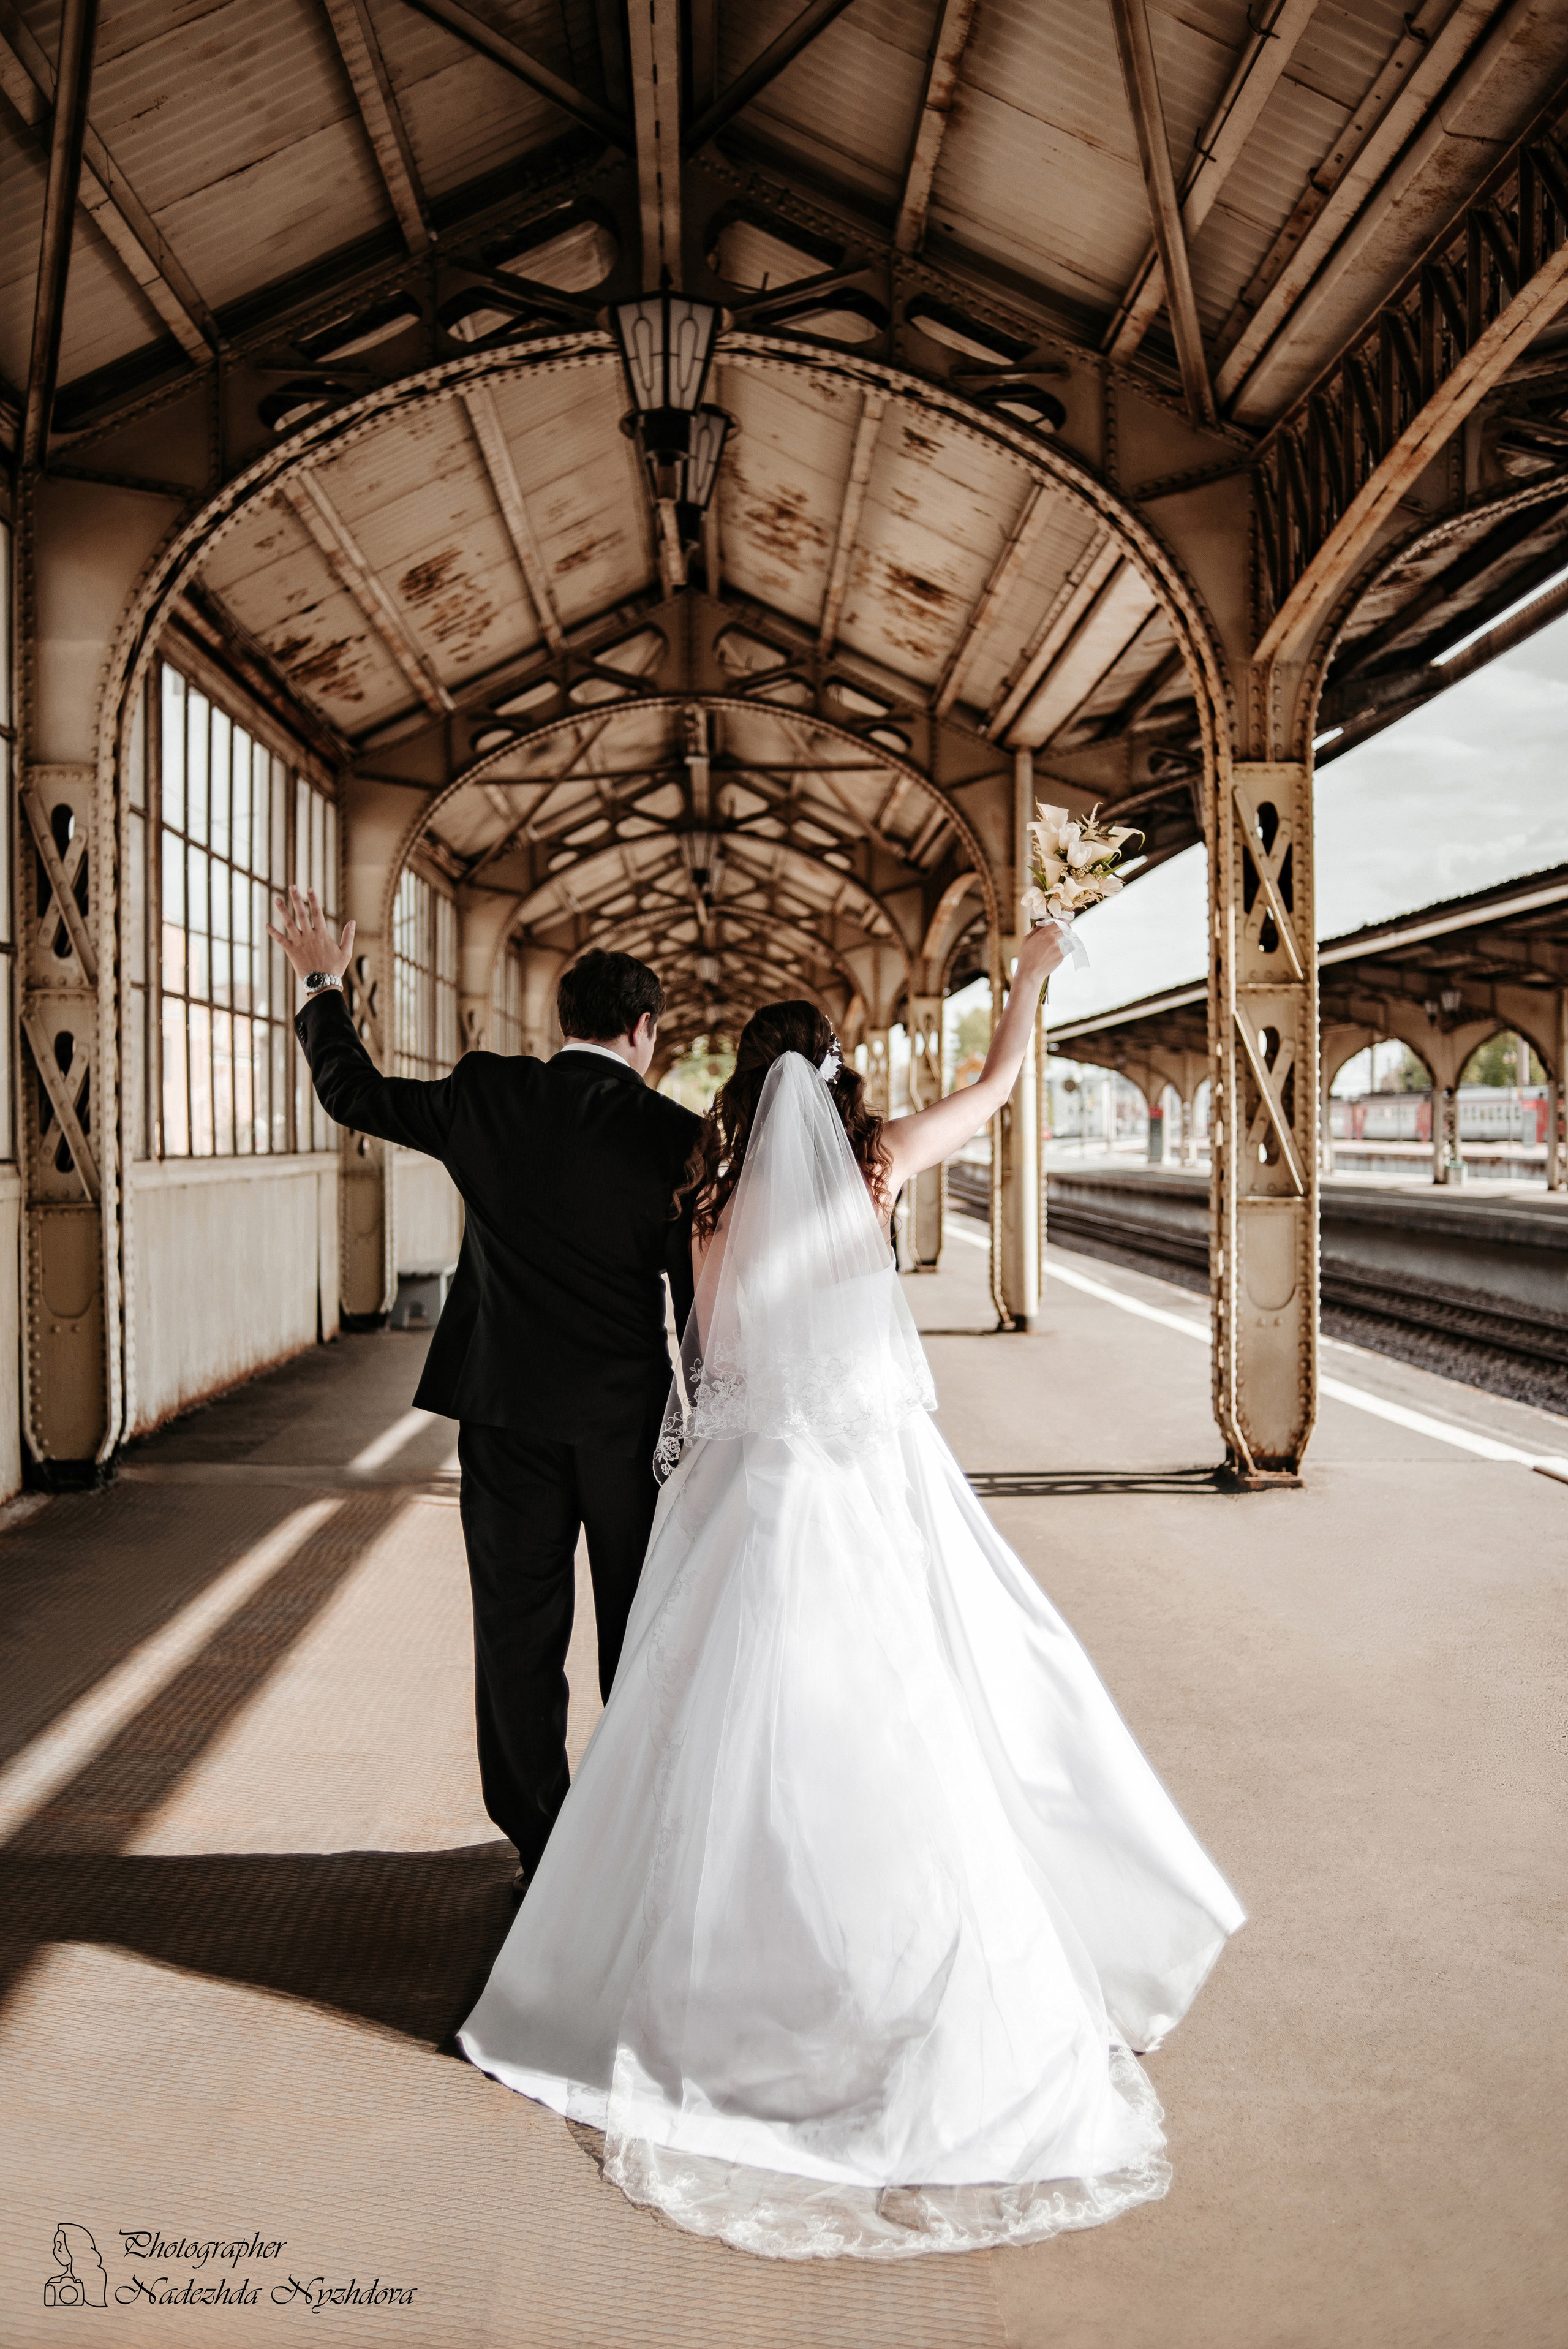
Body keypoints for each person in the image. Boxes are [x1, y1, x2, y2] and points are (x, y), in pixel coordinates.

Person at [458, 921, 1246, 2261]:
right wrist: (1032, 977)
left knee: (718, 1725)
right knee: (929, 1701)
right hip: (865, 1483)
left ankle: (708, 1966)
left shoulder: (702, 1199)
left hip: (741, 1488)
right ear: (833, 1083)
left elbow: (703, 1362)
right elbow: (998, 1094)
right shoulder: (873, 1164)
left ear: (738, 1084)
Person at [268, 887, 701, 1893]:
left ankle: (541, 1844)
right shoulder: (675, 1135)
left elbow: (355, 1093)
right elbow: (693, 1292)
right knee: (642, 1625)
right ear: (644, 1030)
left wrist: (322, 979)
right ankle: (639, 1826)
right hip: (627, 1425)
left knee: (516, 1627)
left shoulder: (487, 1095)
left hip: (504, 1413)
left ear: (564, 1023)